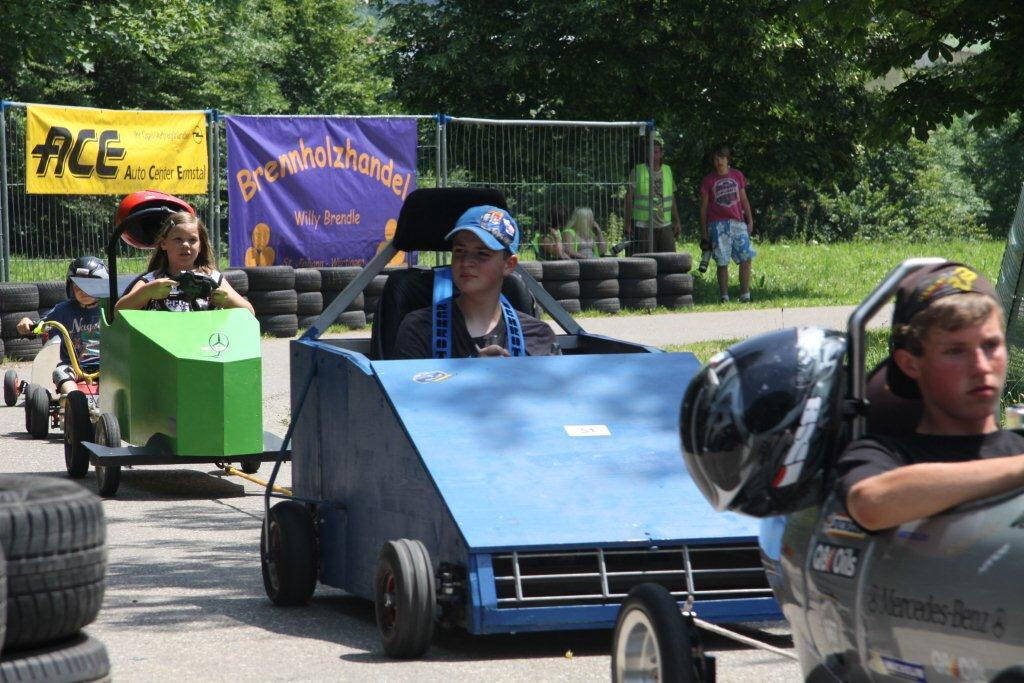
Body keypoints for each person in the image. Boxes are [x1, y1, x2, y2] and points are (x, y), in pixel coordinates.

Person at [836, 262, 1024, 531]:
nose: (981, 367)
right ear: (910, 364)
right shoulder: (882, 454)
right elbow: (871, 503)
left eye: (991, 345)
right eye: (955, 351)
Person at [392, 205, 556, 359]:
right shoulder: (419, 329)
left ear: (509, 265)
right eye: (459, 251)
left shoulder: (537, 336)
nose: (466, 262)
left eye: (482, 253)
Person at [117, 211, 253, 314]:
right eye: (178, 239)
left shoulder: (213, 277)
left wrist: (228, 300)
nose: (185, 245)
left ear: (200, 246)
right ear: (164, 244)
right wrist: (145, 293)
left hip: (203, 344)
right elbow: (118, 310)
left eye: (192, 240)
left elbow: (250, 312)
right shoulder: (151, 280)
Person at [16, 256, 107, 395]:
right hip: (74, 367)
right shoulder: (63, 310)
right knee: (60, 372)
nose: (83, 291)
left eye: (89, 286)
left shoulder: (111, 308)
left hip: (107, 365)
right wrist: (27, 325)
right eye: (78, 286)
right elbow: (42, 325)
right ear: (71, 288)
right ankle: (74, 400)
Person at [699, 145, 755, 302]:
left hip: (738, 222)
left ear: (728, 159)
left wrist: (750, 220)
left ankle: (745, 295)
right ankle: (724, 296)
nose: (719, 162)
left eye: (722, 158)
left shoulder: (737, 175)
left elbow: (744, 199)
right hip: (717, 225)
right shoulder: (708, 180)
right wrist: (704, 232)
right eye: (716, 159)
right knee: (722, 260)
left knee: (746, 256)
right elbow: (703, 208)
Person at [624, 132, 682, 254]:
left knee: (669, 259)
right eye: (650, 152)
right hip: (643, 224)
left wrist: (677, 221)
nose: (653, 155)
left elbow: (672, 198)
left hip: (664, 224)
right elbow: (629, 198)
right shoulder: (637, 170)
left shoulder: (667, 170)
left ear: (661, 154)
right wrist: (628, 224)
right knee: (645, 261)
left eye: (655, 152)